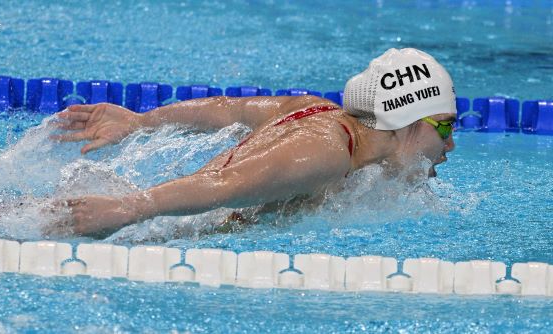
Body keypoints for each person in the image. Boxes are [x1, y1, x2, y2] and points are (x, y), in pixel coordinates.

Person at [51, 48, 457, 236]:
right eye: (445, 128)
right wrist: (126, 210)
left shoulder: (316, 111)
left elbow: (228, 110)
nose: (450, 146)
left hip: (157, 217)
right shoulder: (325, 153)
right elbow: (225, 187)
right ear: (407, 119)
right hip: (153, 228)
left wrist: (142, 122)